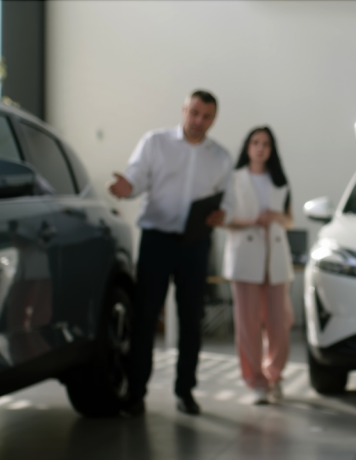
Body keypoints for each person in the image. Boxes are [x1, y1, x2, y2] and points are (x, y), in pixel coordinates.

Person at [108, 90, 232, 416]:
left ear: (213, 119)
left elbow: (228, 202)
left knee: (192, 318)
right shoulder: (155, 142)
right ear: (184, 110)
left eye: (206, 116)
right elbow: (135, 178)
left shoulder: (220, 158)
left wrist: (224, 215)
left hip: (195, 244)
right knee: (146, 315)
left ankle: (185, 390)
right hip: (157, 240)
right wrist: (126, 188)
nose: (198, 121)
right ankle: (136, 392)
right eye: (194, 113)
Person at [223, 126, 294, 405]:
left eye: (265, 143)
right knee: (247, 324)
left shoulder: (280, 181)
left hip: (275, 258)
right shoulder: (233, 179)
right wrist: (250, 221)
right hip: (244, 258)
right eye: (255, 142)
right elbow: (224, 218)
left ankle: (274, 375)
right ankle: (255, 381)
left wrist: (275, 216)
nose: (260, 147)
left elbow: (290, 221)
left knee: (280, 322)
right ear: (247, 146)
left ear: (272, 148)